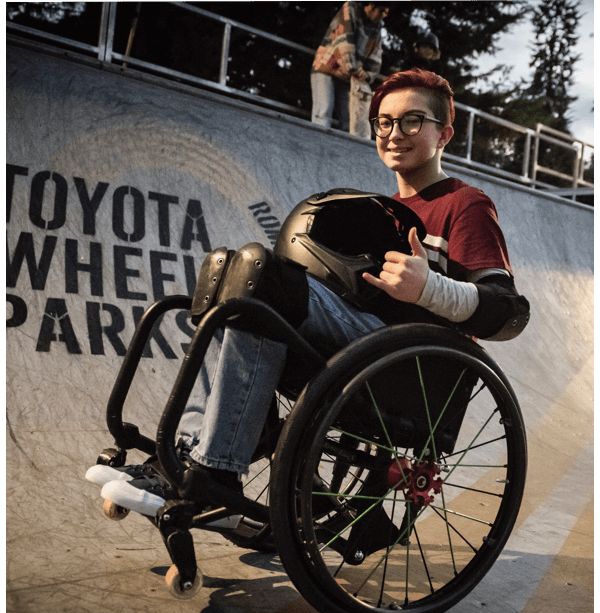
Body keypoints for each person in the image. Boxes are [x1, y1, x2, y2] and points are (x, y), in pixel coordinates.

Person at [87, 69, 529, 520]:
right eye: (384, 122)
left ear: (444, 134)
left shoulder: (464, 204)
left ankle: (216, 470)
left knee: (261, 274)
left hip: (411, 370)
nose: (395, 134)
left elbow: (509, 312)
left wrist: (429, 287)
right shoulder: (377, 210)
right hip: (360, 346)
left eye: (413, 121)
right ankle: (190, 453)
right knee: (230, 277)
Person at [311, 1, 390, 138]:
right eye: (382, 10)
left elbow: (376, 54)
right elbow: (344, 40)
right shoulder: (351, 8)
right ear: (370, 5)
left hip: (349, 76)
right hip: (327, 67)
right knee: (323, 110)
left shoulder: (377, 25)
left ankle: (344, 154)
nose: (384, 15)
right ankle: (316, 148)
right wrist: (355, 68)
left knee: (349, 119)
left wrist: (368, 75)